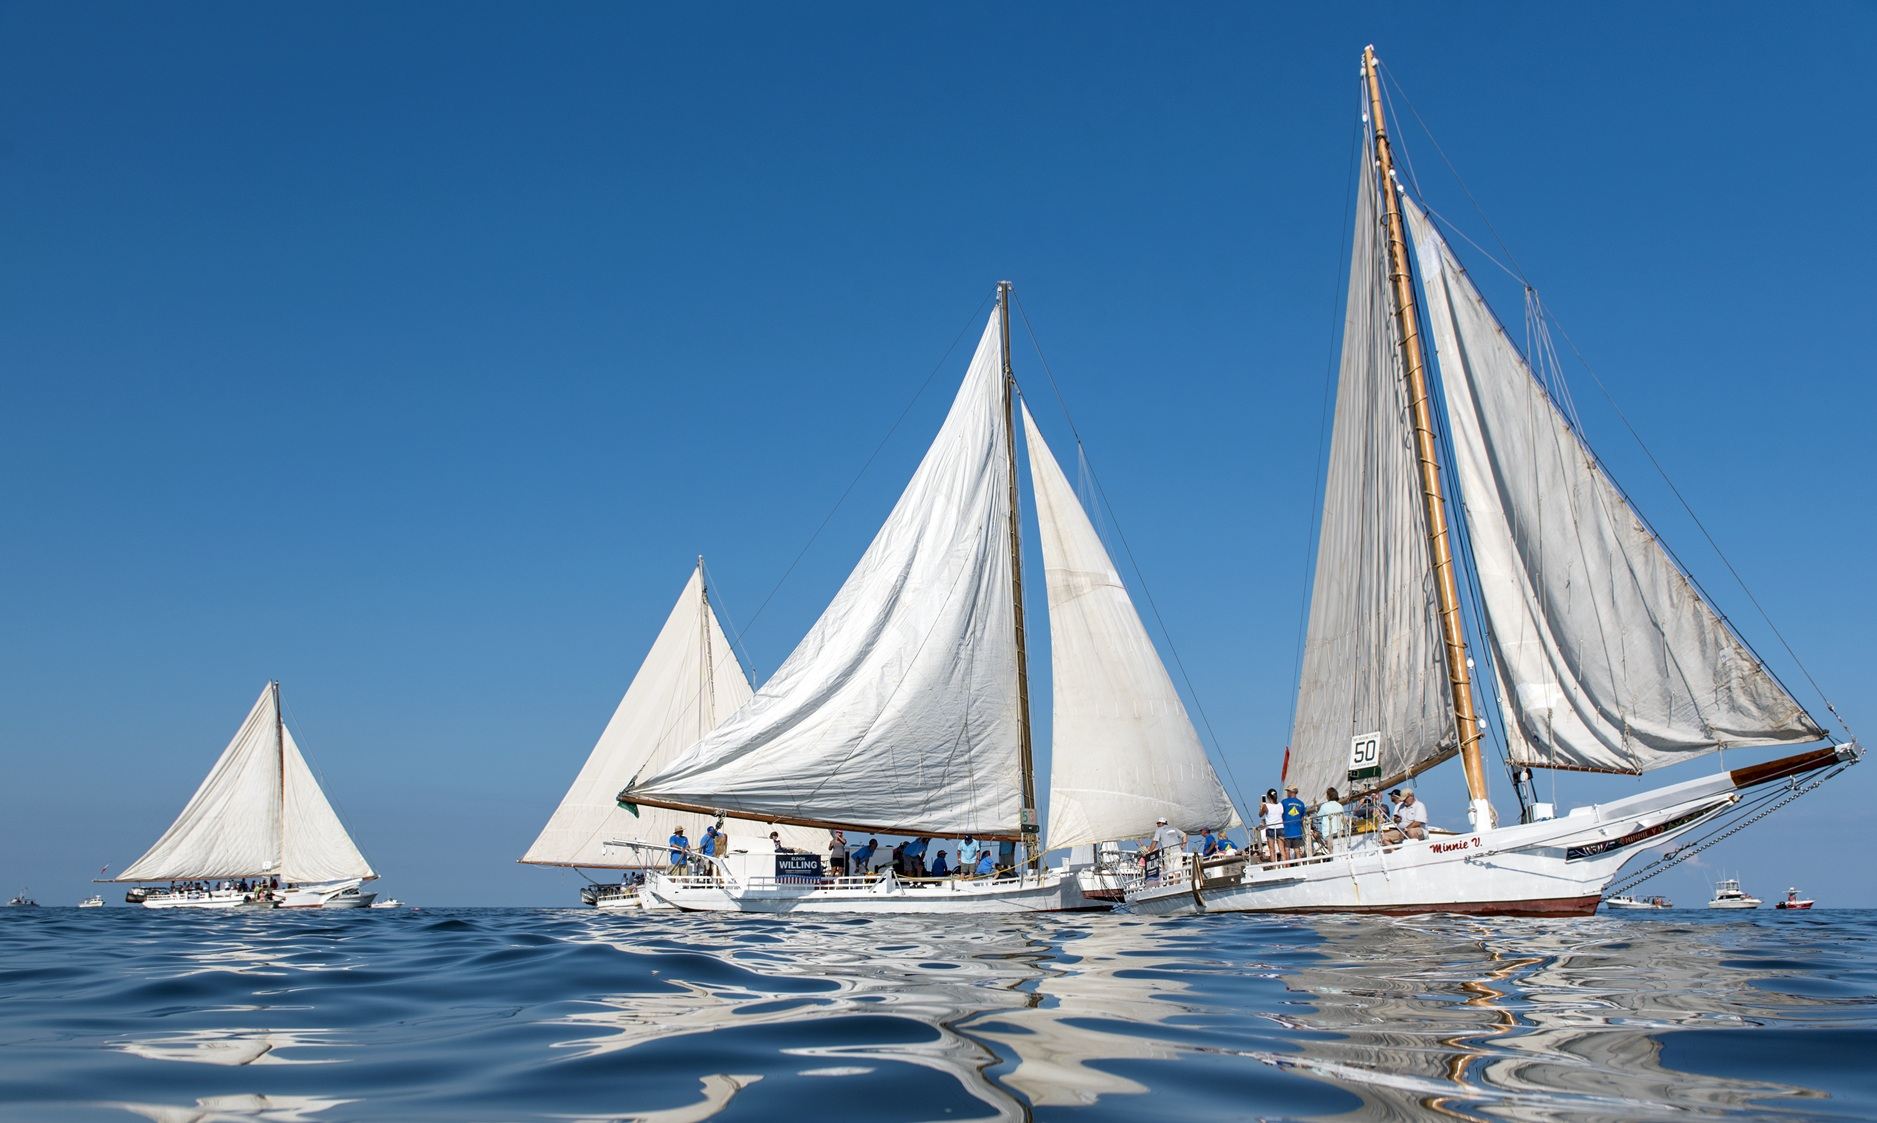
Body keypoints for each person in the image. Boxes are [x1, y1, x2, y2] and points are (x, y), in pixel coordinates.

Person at [1281, 785, 1307, 859]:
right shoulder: (1301, 804)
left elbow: (1280, 814)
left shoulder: (1284, 802)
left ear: (1291, 792)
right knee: (1297, 850)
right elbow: (1302, 818)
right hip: (1297, 831)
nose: (1287, 793)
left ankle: (1288, 867)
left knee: (1287, 849)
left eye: (1288, 791)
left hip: (1287, 831)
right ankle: (1300, 864)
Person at [1261, 788, 1285, 861]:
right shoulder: (1281, 805)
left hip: (1271, 828)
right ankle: (1286, 865)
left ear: (1268, 797)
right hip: (1280, 827)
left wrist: (1262, 806)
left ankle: (1274, 866)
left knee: (1272, 850)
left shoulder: (1266, 806)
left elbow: (1260, 814)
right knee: (1282, 849)